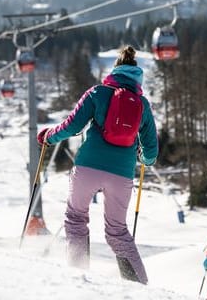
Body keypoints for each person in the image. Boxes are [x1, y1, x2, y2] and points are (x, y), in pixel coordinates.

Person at [37, 45, 158, 285]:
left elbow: (72, 127)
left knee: (76, 219)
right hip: (121, 175)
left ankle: (79, 275)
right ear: (138, 77)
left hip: (88, 168)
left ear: (114, 71)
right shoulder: (142, 105)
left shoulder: (97, 93)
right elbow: (151, 152)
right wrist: (143, 159)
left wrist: (49, 136)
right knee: (117, 231)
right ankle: (141, 287)